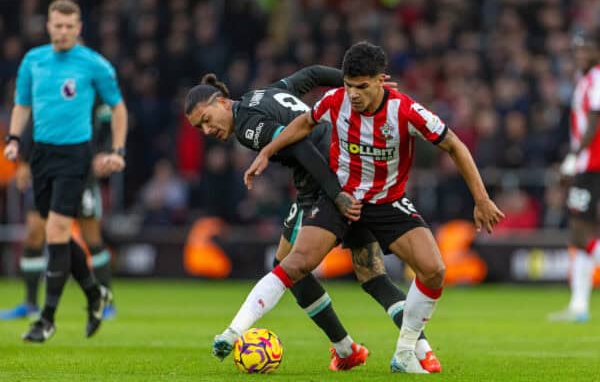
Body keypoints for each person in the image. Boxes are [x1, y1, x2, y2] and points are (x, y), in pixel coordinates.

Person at [217, 41, 504, 373]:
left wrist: (481, 199)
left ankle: (406, 350)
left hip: (388, 201)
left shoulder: (406, 111)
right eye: (349, 85)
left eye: (362, 87)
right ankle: (232, 332)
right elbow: (304, 124)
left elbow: (454, 145)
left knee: (435, 270)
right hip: (342, 198)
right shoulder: (336, 100)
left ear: (381, 80)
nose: (353, 94)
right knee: (295, 263)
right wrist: (267, 152)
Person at [185, 65, 441, 372]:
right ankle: (422, 351)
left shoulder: (248, 126)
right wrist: (354, 85)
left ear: (222, 102)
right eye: (199, 128)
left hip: (322, 182)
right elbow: (313, 74)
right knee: (371, 274)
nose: (207, 130)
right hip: (351, 166)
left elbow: (301, 146)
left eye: (206, 120)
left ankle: (345, 349)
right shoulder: (265, 92)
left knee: (286, 266)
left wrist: (335, 194)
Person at [3, 0, 127, 342]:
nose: (62, 32)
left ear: (79, 27)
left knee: (57, 230)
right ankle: (94, 294)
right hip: (41, 154)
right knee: (53, 233)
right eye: (57, 25)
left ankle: (46, 318)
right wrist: (14, 139)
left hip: (76, 156)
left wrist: (117, 150)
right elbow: (22, 105)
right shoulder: (34, 60)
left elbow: (118, 109)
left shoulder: (94, 65)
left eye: (69, 26)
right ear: (48, 26)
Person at [0, 104, 118, 321]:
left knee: (92, 237)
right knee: (34, 234)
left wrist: (104, 153)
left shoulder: (91, 83)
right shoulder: (45, 85)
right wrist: (24, 162)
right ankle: (30, 304)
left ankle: (106, 301)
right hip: (47, 172)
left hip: (82, 173)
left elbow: (107, 123)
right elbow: (32, 125)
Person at [549, 32, 600, 322]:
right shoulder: (585, 79)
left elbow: (595, 120)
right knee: (579, 236)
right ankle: (579, 306)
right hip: (587, 165)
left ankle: (579, 305)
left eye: (587, 49)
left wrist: (574, 156)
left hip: (593, 165)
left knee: (582, 231)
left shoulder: (597, 78)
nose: (581, 54)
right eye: (578, 49)